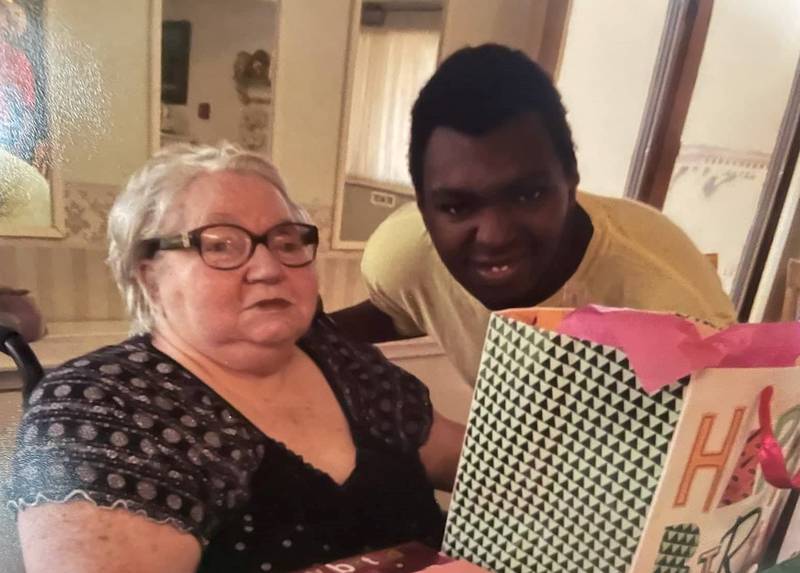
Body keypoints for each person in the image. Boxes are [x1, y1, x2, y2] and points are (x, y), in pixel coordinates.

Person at [8, 143, 464, 573]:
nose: (269, 268)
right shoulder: (96, 409)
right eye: (220, 244)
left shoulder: (346, 363)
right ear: (150, 278)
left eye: (286, 243)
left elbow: (480, 467)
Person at [330, 44, 737, 385]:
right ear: (422, 205)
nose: (493, 235)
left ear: (571, 181)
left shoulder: (676, 319)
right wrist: (298, 331)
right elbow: (404, 306)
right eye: (456, 206)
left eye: (527, 195)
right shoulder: (403, 257)